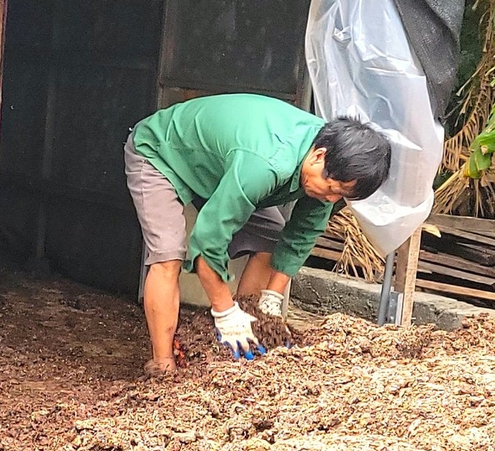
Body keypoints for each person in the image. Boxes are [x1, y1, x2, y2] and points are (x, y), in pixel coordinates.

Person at [125, 94, 392, 374]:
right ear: (319, 156)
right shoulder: (266, 163)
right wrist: (223, 311)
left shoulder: (327, 164)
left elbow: (302, 234)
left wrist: (271, 301)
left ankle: (243, 334)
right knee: (168, 254)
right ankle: (163, 363)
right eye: (332, 189)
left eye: (341, 196)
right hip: (161, 151)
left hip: (222, 168)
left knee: (270, 241)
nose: (330, 199)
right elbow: (207, 244)